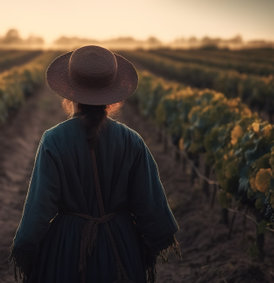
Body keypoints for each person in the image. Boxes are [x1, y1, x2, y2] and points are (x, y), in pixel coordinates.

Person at [9, 45, 180, 283]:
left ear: (69, 93)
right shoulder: (132, 141)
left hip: (67, 249)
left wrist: (25, 248)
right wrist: (143, 248)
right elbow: (152, 210)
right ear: (112, 95)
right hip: (120, 248)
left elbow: (39, 208)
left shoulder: (53, 140)